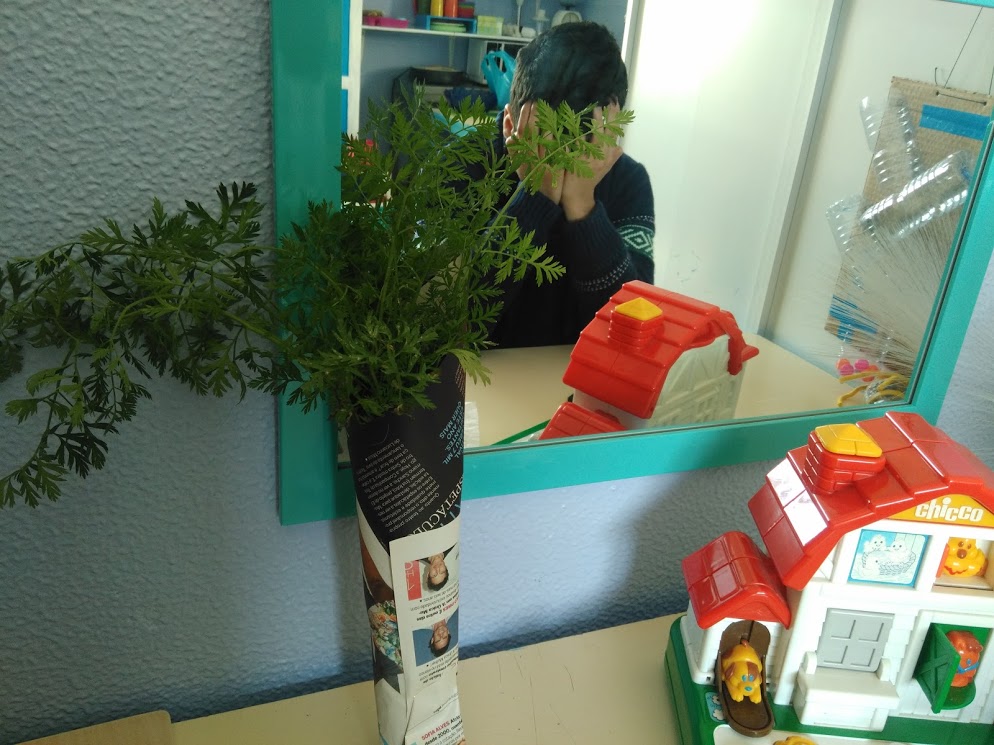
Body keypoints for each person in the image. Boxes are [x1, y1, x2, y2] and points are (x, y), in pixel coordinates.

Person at [488, 21, 655, 348]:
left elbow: (633, 328)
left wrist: (583, 206)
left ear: (608, 134)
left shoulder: (628, 181)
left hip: (576, 370)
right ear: (510, 126)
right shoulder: (465, 164)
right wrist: (535, 197)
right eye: (546, 146)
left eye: (581, 151)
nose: (562, 172)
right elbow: (448, 313)